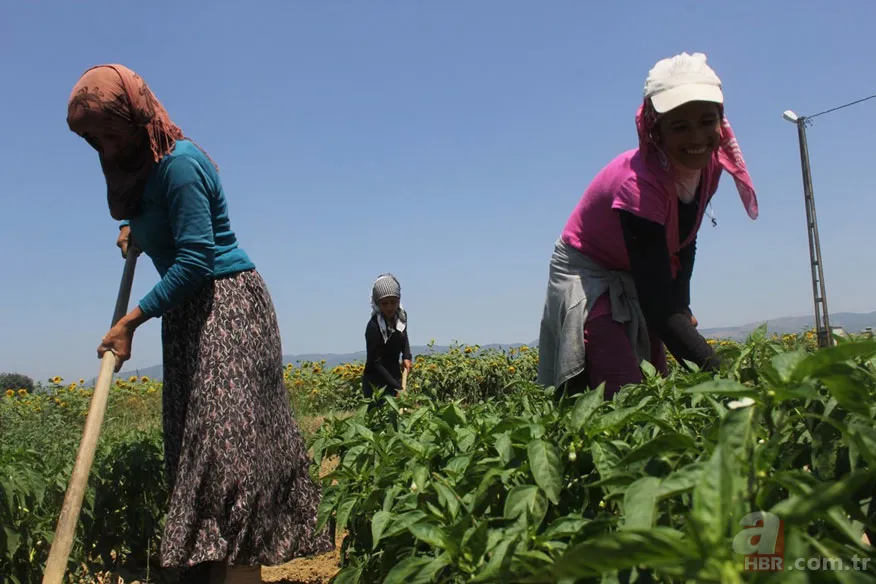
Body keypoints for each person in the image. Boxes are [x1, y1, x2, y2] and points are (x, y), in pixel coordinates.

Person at [66, 64, 333, 583]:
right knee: (199, 452)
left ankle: (241, 575)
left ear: (133, 115)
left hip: (228, 309)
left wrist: (131, 321)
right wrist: (134, 229)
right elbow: (159, 222)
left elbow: (195, 258)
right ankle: (217, 573)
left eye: (106, 131)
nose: (101, 145)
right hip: (188, 315)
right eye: (91, 138)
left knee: (229, 457)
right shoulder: (139, 169)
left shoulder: (179, 165)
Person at [537, 52, 759, 401]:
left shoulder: (710, 166)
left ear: (721, 121)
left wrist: (682, 304)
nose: (697, 137)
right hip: (587, 266)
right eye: (680, 126)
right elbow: (658, 307)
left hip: (635, 264)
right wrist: (729, 382)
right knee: (622, 385)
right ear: (656, 130)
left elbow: (685, 241)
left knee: (654, 370)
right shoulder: (639, 186)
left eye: (706, 121)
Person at [362, 274, 413, 405]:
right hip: (376, 382)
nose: (390, 307)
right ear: (377, 303)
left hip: (394, 373)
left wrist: (407, 356)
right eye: (384, 303)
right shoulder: (373, 327)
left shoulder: (401, 317)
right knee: (379, 419)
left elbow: (404, 336)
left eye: (393, 302)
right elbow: (375, 363)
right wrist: (398, 387)